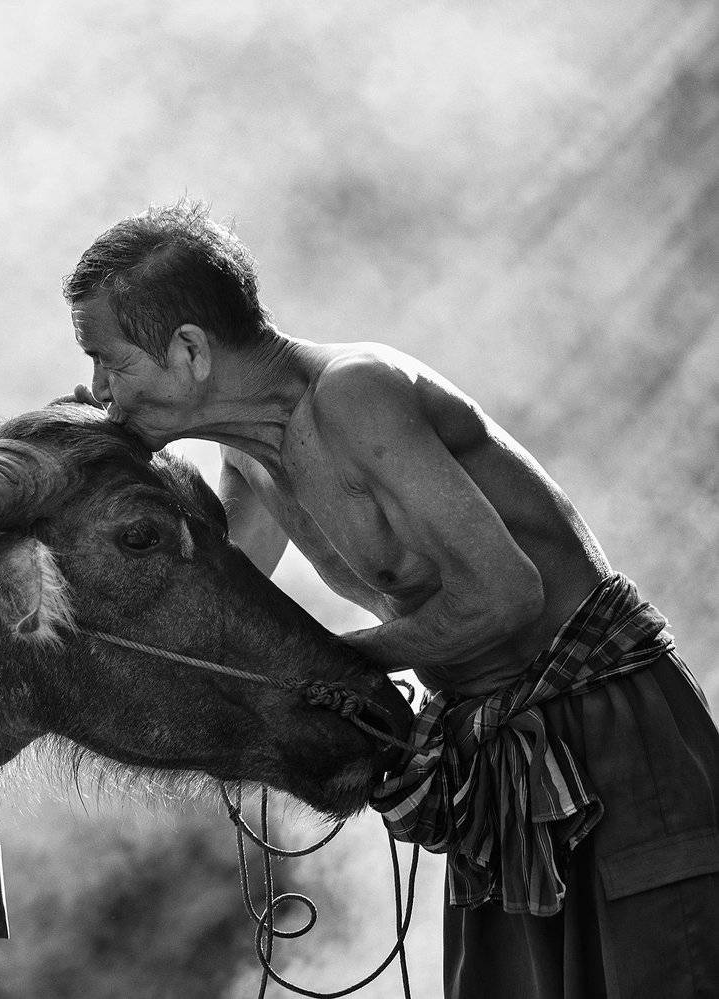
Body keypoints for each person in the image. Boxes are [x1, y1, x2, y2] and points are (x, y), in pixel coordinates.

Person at [63, 200, 719, 998]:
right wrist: (71, 486)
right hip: (495, 770)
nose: (101, 390)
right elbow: (199, 617)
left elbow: (509, 592)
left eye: (109, 362)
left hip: (611, 732)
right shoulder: (251, 464)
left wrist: (341, 665)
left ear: (191, 351)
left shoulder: (355, 393)